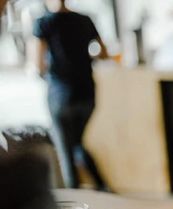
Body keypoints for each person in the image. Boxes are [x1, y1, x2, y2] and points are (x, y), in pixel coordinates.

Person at [32, 0, 109, 189]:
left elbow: (37, 64)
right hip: (87, 93)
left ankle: (77, 201)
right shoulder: (85, 20)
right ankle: (102, 187)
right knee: (77, 144)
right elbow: (104, 53)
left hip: (60, 95)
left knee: (66, 151)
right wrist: (82, 57)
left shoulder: (42, 23)